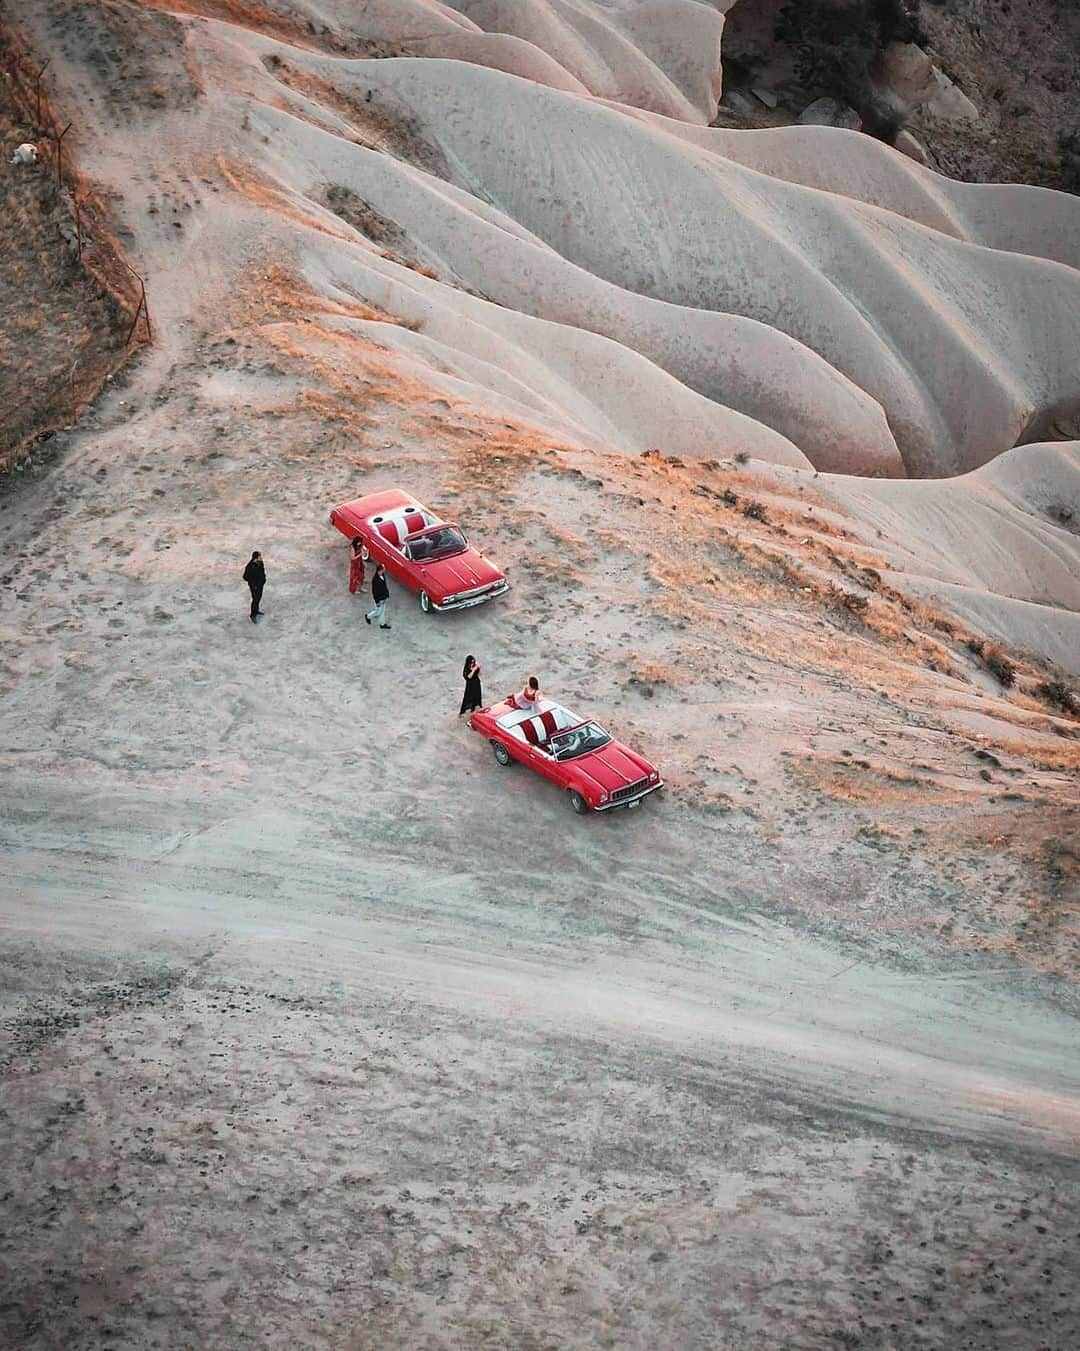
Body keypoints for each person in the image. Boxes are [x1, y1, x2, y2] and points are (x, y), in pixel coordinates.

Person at [365, 563, 391, 629]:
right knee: (378, 612)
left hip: (383, 597)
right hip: (379, 599)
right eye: (383, 569)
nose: (385, 570)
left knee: (382, 611)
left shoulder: (382, 575)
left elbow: (384, 586)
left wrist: (387, 594)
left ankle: (382, 624)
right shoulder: (375, 580)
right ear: (380, 570)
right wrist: (377, 601)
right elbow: (374, 592)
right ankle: (368, 616)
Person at [243, 550, 265, 623]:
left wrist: (263, 580)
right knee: (255, 600)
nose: (261, 557)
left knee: (258, 598)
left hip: (260, 584)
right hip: (254, 586)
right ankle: (253, 615)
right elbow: (245, 576)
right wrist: (253, 584)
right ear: (256, 557)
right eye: (260, 556)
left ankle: (256, 610)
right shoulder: (250, 566)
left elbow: (263, 572)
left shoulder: (260, 563)